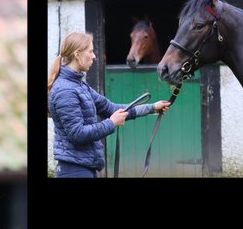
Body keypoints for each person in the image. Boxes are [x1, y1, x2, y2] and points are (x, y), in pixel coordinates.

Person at [48, 31, 171, 178]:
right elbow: (78, 134)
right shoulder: (66, 90)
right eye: (91, 51)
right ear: (77, 55)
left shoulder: (79, 86)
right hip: (74, 170)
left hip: (84, 168)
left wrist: (152, 108)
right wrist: (111, 123)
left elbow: (112, 108)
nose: (94, 56)